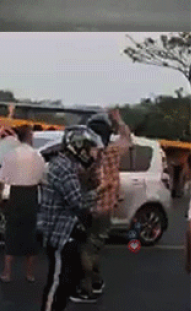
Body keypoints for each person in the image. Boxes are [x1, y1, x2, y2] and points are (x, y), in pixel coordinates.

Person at [38, 126, 100, 311]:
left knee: (65, 282)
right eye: (91, 149)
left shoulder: (65, 164)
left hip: (64, 232)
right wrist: (100, 192)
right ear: (79, 148)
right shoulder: (64, 168)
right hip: (60, 235)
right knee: (57, 283)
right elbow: (77, 201)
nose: (94, 155)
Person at [75, 110, 132, 302]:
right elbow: (127, 138)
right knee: (96, 245)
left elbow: (95, 182)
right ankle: (97, 282)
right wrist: (118, 120)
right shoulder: (114, 151)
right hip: (107, 208)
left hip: (92, 208)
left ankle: (87, 289)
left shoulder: (90, 155)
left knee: (86, 250)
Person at [0, 125, 45, 284]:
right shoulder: (37, 156)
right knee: (30, 234)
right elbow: (42, 179)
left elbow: (2, 180)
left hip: (16, 194)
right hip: (32, 195)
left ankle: (7, 273)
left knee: (12, 233)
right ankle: (29, 274)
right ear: (29, 137)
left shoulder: (11, 155)